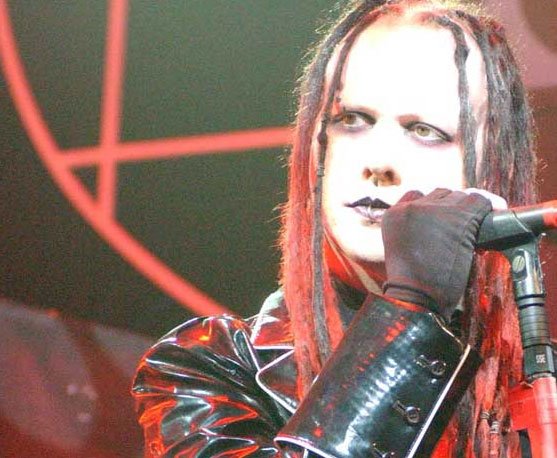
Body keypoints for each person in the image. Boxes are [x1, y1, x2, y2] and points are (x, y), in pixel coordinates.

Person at [132, 0, 537, 456]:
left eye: (424, 130)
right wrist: (412, 307)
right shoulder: (205, 370)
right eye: (352, 121)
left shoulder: (543, 391)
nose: (379, 162)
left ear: (493, 171)